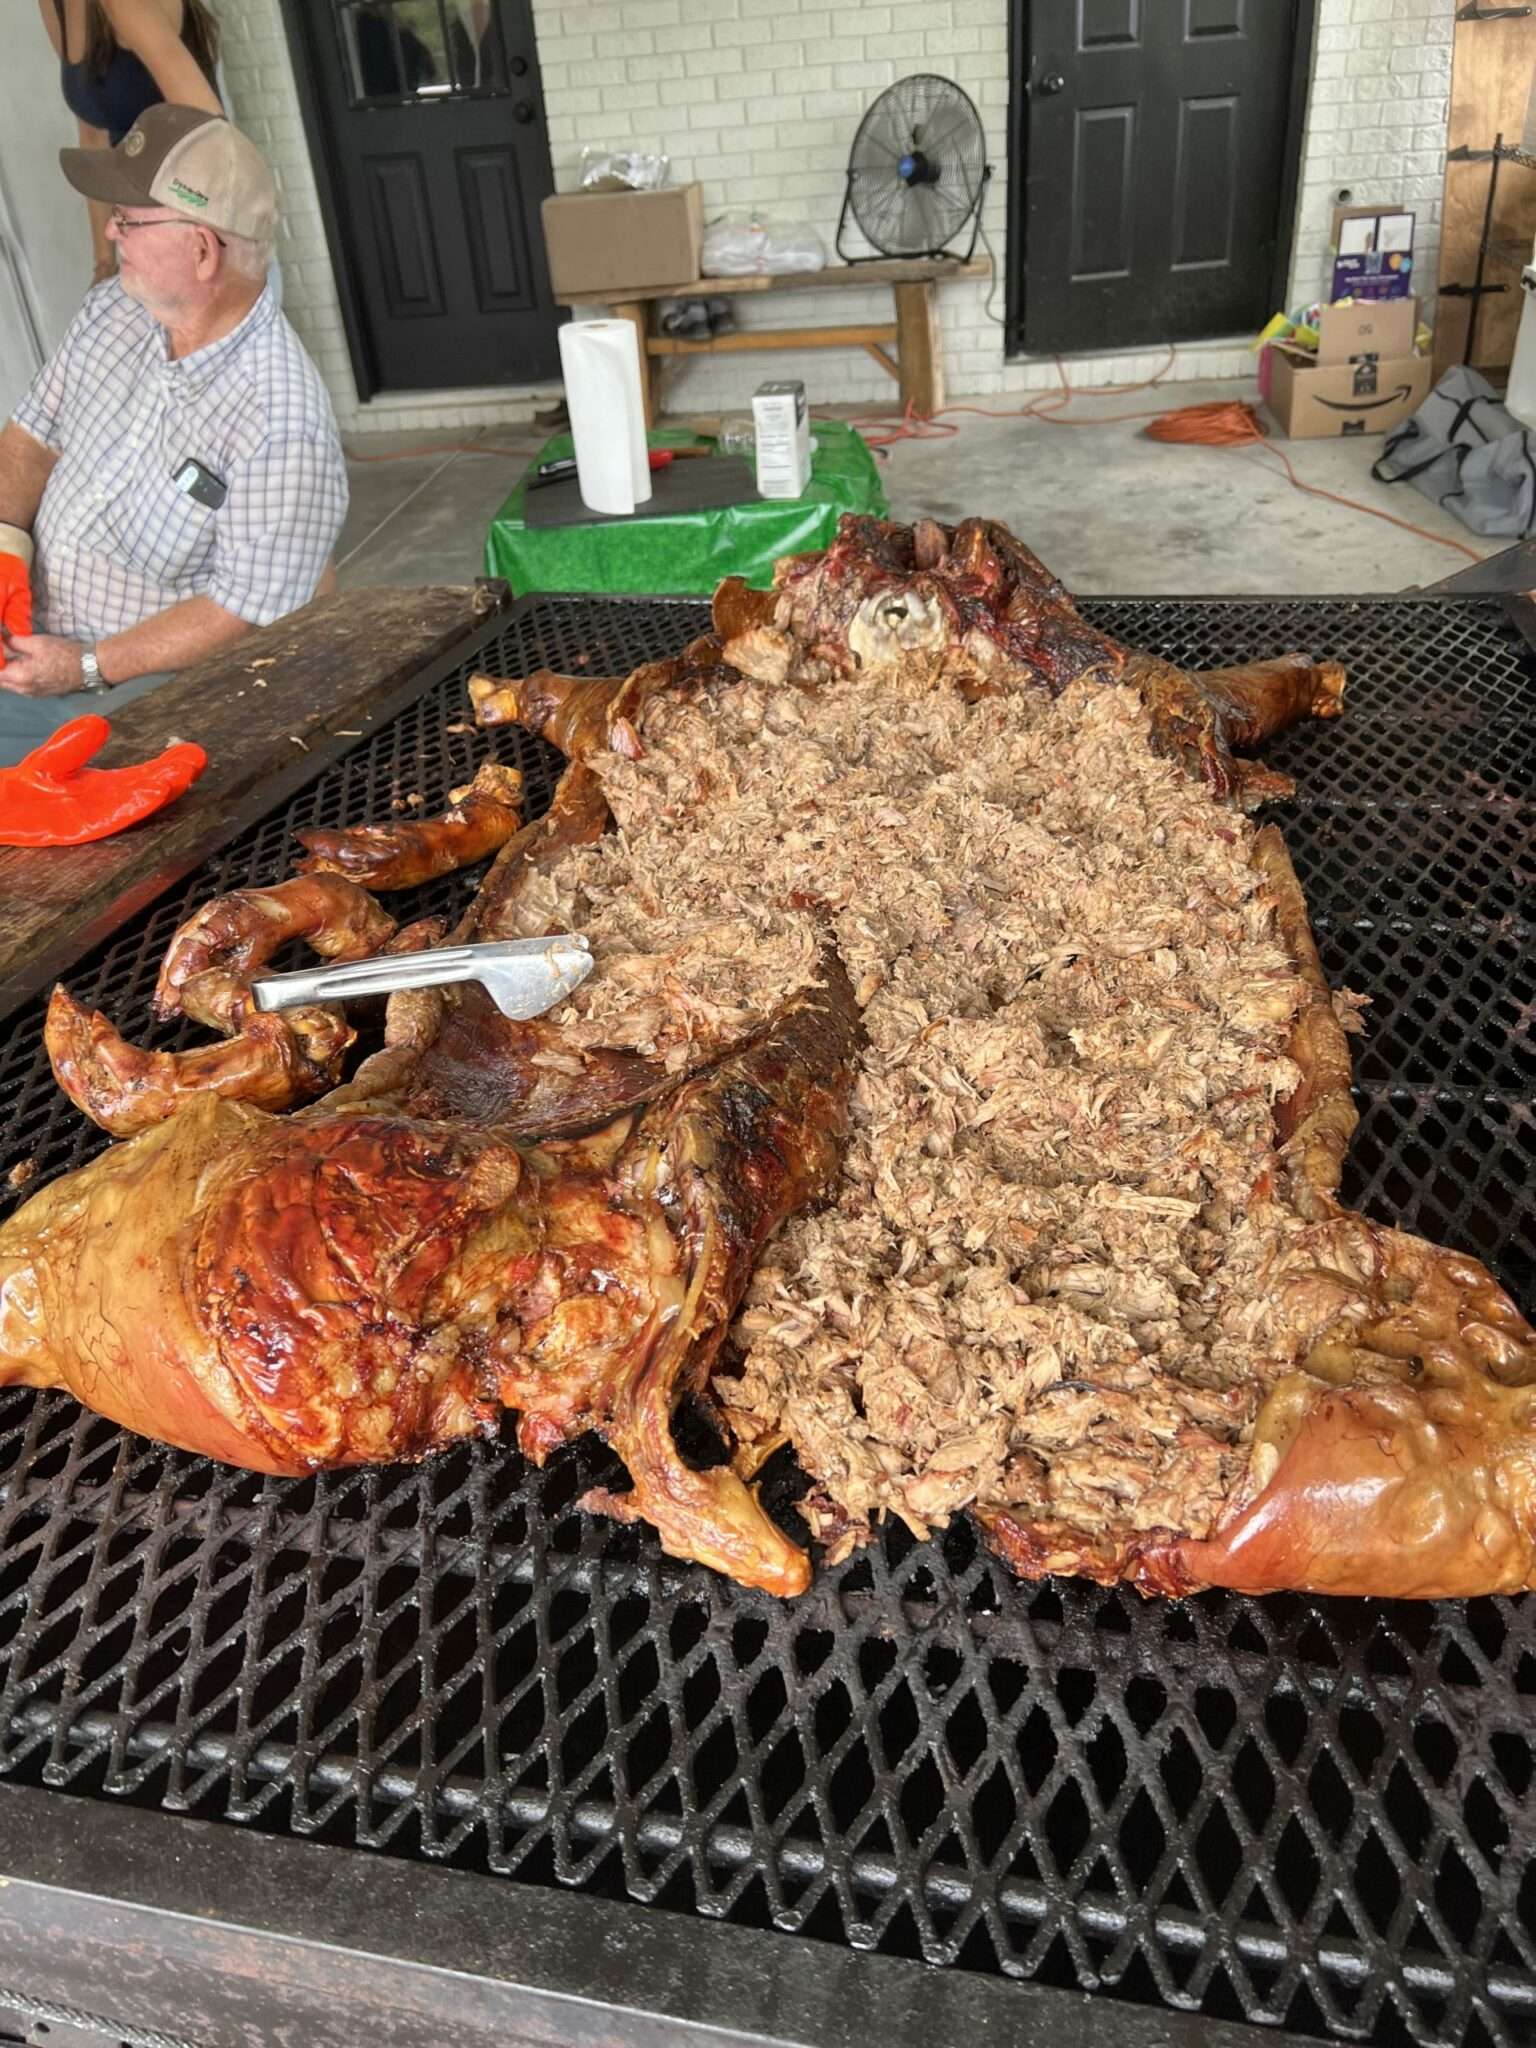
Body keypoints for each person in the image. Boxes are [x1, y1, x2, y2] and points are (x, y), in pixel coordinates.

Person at [0, 104, 348, 767]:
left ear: (202, 250)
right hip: (31, 644)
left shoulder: (280, 420)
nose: (111, 230)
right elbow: (30, 440)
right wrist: (4, 546)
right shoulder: (113, 312)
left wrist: (86, 665)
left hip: (143, 689)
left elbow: (241, 612)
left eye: (129, 220)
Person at [37, 0, 223, 285]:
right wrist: (104, 265)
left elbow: (213, 138)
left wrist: (205, 250)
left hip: (201, 235)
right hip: (147, 236)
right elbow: (93, 136)